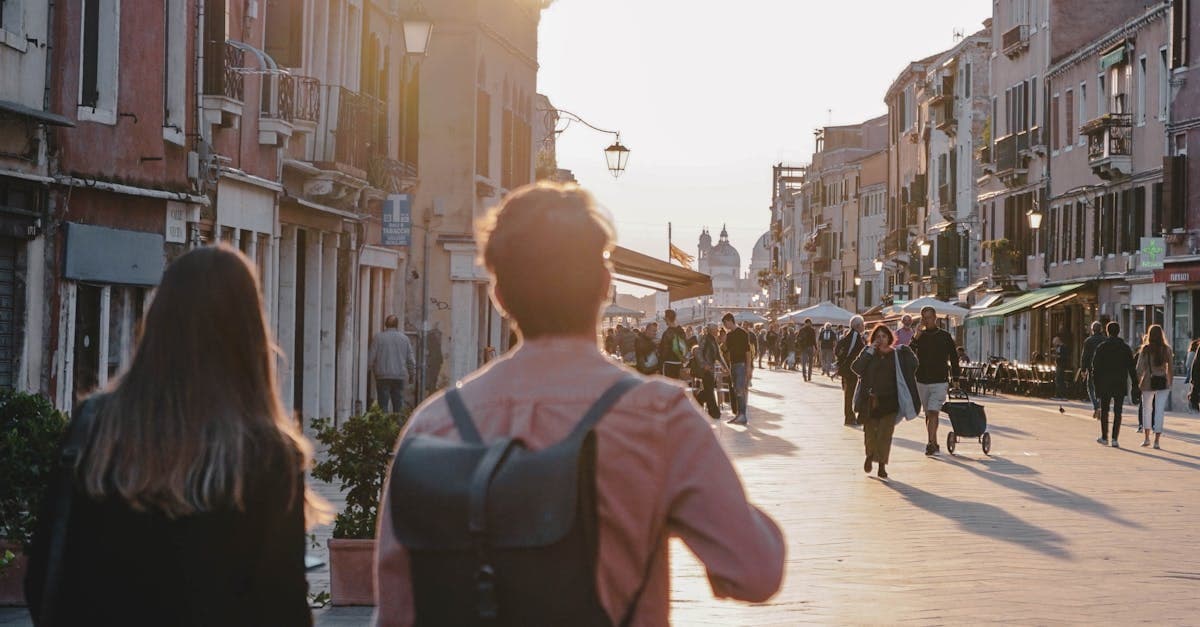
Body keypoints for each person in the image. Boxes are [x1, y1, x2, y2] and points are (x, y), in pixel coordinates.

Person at [375, 183, 784, 625]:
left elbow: (397, 611)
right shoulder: (658, 419)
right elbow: (754, 572)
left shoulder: (433, 425)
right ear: (606, 286)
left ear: (498, 295)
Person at [25, 246, 329, 626]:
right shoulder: (268, 455)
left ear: (157, 322)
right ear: (250, 334)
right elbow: (283, 608)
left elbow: (44, 578)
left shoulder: (94, 428)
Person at [851, 324, 921, 480]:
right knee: (869, 432)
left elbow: (914, 365)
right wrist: (869, 351)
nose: (881, 339)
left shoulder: (897, 354)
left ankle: (882, 465)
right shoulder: (868, 352)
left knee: (885, 434)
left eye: (884, 336)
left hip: (890, 400)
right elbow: (856, 368)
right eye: (878, 336)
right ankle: (870, 456)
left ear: (889, 338)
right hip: (870, 400)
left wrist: (909, 351)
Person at [909, 306, 960, 456]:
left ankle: (930, 443)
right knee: (928, 413)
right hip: (922, 380)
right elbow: (908, 353)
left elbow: (954, 357)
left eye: (929, 317)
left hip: (940, 380)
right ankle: (934, 440)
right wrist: (916, 337)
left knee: (933, 412)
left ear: (935, 318)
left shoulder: (945, 336)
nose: (927, 320)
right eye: (924, 318)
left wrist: (955, 378)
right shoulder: (920, 336)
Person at [1091, 321, 1137, 447]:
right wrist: (1135, 384)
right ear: (1119, 331)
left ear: (1107, 331)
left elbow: (1095, 368)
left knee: (1105, 410)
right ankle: (1115, 438)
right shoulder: (1125, 348)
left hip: (1105, 383)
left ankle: (1105, 437)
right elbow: (1131, 368)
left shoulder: (1102, 347)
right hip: (1120, 383)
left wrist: (1096, 386)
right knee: (1118, 411)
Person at [1135, 324, 1174, 449]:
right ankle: (1157, 441)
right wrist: (1170, 382)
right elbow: (1171, 369)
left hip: (1147, 383)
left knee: (1147, 410)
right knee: (1159, 411)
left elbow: (1139, 369)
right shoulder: (1166, 349)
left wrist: (1137, 383)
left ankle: (1147, 438)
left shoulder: (1145, 349)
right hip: (1163, 382)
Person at [369, 314, 416, 414]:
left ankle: (384, 427)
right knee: (398, 406)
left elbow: (371, 358)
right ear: (397, 325)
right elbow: (410, 359)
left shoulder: (378, 338)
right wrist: (412, 374)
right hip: (399, 377)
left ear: (385, 324)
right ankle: (397, 427)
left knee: (383, 406)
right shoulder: (404, 339)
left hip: (382, 377)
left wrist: (370, 371)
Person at [836, 316, 867, 426]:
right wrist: (844, 361)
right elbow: (850, 350)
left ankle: (850, 416)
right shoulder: (854, 335)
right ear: (858, 326)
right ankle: (849, 417)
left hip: (849, 369)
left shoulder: (854, 334)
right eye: (863, 324)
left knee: (849, 394)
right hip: (850, 370)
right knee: (850, 394)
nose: (864, 326)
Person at [723, 312, 753, 425]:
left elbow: (747, 351)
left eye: (725, 323)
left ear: (730, 321)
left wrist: (749, 367)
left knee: (740, 390)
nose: (725, 326)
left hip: (741, 364)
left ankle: (742, 416)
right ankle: (739, 415)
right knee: (736, 390)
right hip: (733, 364)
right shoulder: (729, 335)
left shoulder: (742, 333)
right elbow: (727, 351)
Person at [693, 323, 725, 419]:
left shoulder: (713, 339)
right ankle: (714, 412)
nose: (717, 331)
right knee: (709, 389)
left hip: (711, 368)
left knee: (709, 389)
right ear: (711, 330)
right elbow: (698, 353)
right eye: (716, 329)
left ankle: (698, 401)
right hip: (706, 369)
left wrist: (725, 367)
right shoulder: (705, 338)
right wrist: (704, 365)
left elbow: (718, 355)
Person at [1081, 321, 1107, 420]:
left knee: (1091, 388)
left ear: (1092, 330)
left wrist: (1083, 369)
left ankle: (1096, 406)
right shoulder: (1105, 340)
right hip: (1104, 369)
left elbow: (1085, 356)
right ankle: (1100, 406)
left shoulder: (1088, 341)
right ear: (1101, 330)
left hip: (1092, 368)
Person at [658, 309, 688, 379]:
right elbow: (685, 346)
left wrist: (660, 363)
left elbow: (664, 351)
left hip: (669, 363)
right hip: (679, 363)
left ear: (667, 318)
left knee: (668, 387)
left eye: (665, 318)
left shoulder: (667, 333)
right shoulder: (681, 331)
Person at [1051, 335, 1070, 400]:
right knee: (1057, 380)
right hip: (1058, 365)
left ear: (1058, 341)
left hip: (1062, 365)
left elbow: (1064, 356)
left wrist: (1057, 356)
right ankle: (1057, 394)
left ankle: (1061, 395)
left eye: (1055, 343)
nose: (1054, 344)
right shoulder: (1058, 348)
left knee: (1060, 380)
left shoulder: (1063, 347)